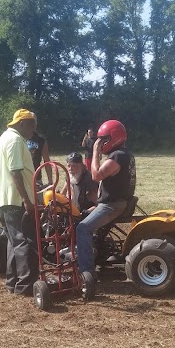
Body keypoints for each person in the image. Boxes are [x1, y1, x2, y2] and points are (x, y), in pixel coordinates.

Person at [76, 119, 136, 278]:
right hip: (116, 202)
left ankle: (86, 271)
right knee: (81, 215)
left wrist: (95, 151)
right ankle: (96, 253)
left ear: (114, 138)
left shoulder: (117, 156)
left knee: (82, 228)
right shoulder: (125, 154)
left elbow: (95, 175)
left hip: (112, 205)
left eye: (103, 139)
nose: (100, 142)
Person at [0, 109, 39, 295]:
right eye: (32, 125)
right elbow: (15, 172)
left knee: (13, 242)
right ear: (22, 123)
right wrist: (26, 200)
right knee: (24, 242)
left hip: (5, 199)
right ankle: (26, 285)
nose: (34, 130)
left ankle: (13, 283)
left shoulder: (4, 137)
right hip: (16, 200)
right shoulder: (14, 140)